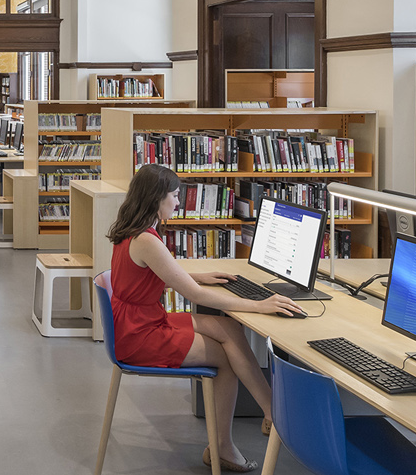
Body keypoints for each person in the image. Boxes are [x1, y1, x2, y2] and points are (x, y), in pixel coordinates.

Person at [107, 164, 302, 473]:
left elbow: (153, 274)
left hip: (139, 320)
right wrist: (260, 305)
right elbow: (196, 297)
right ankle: (234, 440)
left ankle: (271, 412)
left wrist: (199, 275)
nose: (177, 203)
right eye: (173, 196)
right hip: (140, 335)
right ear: (156, 199)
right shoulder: (147, 240)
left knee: (227, 327)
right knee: (226, 358)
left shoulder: (132, 229)